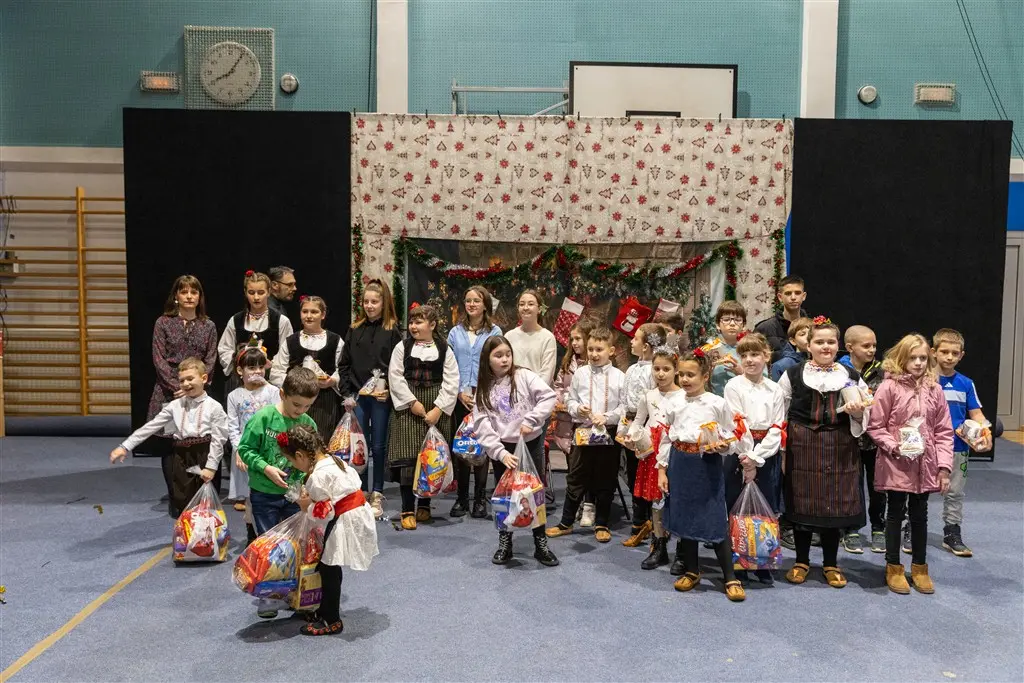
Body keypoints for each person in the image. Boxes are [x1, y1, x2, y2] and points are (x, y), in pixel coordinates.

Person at [777, 317, 869, 589]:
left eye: (830, 341)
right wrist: (782, 451)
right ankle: (801, 562)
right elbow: (780, 413)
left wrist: (857, 413)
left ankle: (831, 563)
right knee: (802, 504)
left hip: (840, 446)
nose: (825, 346)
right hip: (802, 446)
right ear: (809, 346)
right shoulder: (792, 374)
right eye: (819, 342)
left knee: (834, 506)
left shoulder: (851, 376)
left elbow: (865, 414)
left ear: (838, 345)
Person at [656, 348, 746, 602]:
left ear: (705, 376)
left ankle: (730, 577)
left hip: (706, 464)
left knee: (713, 516)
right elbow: (666, 437)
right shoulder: (674, 402)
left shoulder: (717, 403)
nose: (685, 379)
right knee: (685, 516)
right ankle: (692, 570)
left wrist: (723, 446)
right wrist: (662, 469)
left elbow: (731, 434)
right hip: (680, 463)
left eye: (691, 375)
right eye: (681, 374)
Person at [866, 334, 953, 594]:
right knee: (894, 513)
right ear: (901, 359)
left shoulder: (935, 389)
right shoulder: (888, 387)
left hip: (925, 464)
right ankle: (893, 566)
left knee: (920, 515)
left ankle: (920, 567)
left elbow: (944, 431)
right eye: (912, 358)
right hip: (896, 462)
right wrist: (895, 447)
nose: (918, 363)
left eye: (923, 358)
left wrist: (944, 467)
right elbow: (876, 426)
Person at [277, 423, 378, 635]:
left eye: (291, 461)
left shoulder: (317, 476)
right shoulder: (333, 460)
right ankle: (325, 610)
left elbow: (325, 512)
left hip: (344, 518)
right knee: (329, 565)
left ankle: (331, 620)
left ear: (300, 455)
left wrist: (306, 506)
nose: (293, 466)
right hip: (355, 514)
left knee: (328, 567)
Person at [237, 366, 319, 618]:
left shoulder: (307, 423)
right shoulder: (263, 418)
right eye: (297, 405)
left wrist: (306, 486)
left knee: (295, 547)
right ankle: (268, 596)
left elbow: (312, 459)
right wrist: (266, 468)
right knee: (270, 546)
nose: (301, 411)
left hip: (294, 498)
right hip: (264, 495)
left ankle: (293, 593)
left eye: (307, 406)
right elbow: (245, 449)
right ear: (282, 394)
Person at [472, 336, 559, 566]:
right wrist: (499, 452)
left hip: (530, 443)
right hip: (504, 449)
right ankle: (505, 543)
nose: (505, 360)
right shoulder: (483, 389)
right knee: (505, 496)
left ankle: (540, 543)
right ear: (487, 359)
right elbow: (481, 424)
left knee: (534, 493)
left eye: (508, 354)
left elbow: (548, 396)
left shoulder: (524, 376)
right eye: (498, 356)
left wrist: (532, 420)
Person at [110, 358, 228, 518]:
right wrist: (125, 446)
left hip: (205, 454)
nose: (186, 384)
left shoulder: (214, 407)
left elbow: (219, 439)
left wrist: (212, 466)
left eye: (190, 378)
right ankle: (186, 532)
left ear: (204, 378)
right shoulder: (174, 405)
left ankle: (207, 533)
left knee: (206, 504)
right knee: (182, 500)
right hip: (181, 456)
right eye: (182, 380)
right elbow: (150, 427)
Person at [546, 326, 625, 543]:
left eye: (599, 349)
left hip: (608, 433)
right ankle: (566, 522)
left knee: (606, 478)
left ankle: (602, 523)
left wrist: (607, 417)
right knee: (576, 477)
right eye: (591, 349)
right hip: (582, 432)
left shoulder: (620, 377)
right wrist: (576, 409)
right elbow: (570, 399)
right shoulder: (580, 373)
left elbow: (624, 407)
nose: (594, 354)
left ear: (611, 351)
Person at [147, 275, 218, 514]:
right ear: (176, 296)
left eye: (193, 292)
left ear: (199, 297)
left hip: (198, 394)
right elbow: (158, 359)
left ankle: (196, 497)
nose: (189, 296)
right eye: (184, 292)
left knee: (198, 445)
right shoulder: (163, 323)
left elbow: (210, 359)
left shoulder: (208, 326)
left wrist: (194, 386)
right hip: (169, 393)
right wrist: (178, 386)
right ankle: (175, 499)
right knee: (171, 446)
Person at [386, 303, 460, 529]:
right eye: (411, 322)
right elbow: (395, 377)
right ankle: (407, 508)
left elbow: (451, 380)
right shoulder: (402, 347)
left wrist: (438, 409)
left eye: (418, 322)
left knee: (431, 458)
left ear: (432, 324)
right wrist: (412, 402)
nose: (413, 326)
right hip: (409, 408)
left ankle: (425, 505)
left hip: (436, 407)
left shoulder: (445, 349)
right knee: (408, 459)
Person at [338, 279, 403, 519]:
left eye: (374, 301)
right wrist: (348, 393)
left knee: (378, 445)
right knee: (360, 444)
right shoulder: (355, 329)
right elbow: (344, 364)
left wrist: (391, 390)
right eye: (366, 301)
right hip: (359, 397)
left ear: (384, 303)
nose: (369, 305)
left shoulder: (392, 331)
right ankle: (361, 490)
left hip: (381, 397)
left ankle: (377, 492)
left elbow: (398, 367)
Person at [723, 332, 785, 584]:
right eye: (744, 355)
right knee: (737, 505)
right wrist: (747, 458)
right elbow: (737, 423)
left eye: (755, 354)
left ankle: (762, 561)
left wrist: (757, 458)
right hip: (740, 450)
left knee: (764, 506)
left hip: (765, 453)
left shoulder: (775, 389)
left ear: (766, 356)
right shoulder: (733, 386)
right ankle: (738, 559)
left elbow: (777, 426)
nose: (749, 360)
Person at [931, 328, 993, 557]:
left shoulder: (966, 383)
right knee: (917, 492)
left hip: (958, 447)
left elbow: (976, 414)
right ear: (933, 352)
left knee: (955, 492)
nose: (949, 357)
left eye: (954, 353)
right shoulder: (924, 380)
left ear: (961, 355)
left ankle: (952, 532)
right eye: (944, 352)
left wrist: (985, 433)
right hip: (928, 448)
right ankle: (910, 528)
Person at [624, 343, 684, 570]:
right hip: (652, 452)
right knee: (657, 502)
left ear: (675, 370)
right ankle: (659, 547)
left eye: (666, 369)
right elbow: (639, 421)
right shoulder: (648, 396)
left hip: (676, 452)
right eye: (656, 369)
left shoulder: (683, 396)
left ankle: (682, 551)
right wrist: (632, 435)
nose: (660, 374)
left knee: (677, 500)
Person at [447, 286, 502, 519]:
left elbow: (497, 364)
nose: (471, 304)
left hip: (484, 398)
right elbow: (449, 365)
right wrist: (460, 391)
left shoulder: (495, 331)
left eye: (476, 301)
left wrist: (482, 393)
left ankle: (480, 499)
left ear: (485, 305)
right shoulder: (455, 332)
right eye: (468, 300)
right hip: (460, 398)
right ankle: (461, 498)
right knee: (462, 448)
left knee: (482, 447)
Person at [838, 325, 885, 554]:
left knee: (878, 485)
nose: (871, 350)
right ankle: (851, 529)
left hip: (875, 439)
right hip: (848, 438)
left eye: (874, 345)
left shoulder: (882, 372)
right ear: (850, 347)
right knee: (851, 485)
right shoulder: (838, 372)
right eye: (866, 346)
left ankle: (879, 527)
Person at [270, 295, 343, 443]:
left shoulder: (335, 341)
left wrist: (332, 381)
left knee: (321, 441)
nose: (309, 316)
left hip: (325, 403)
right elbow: (276, 371)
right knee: (295, 441)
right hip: (295, 401)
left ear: (323, 314)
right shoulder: (291, 341)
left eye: (314, 312)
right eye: (305, 311)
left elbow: (342, 369)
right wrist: (295, 382)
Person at [226, 344, 280, 543]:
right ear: (240, 370)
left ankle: (271, 532)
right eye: (251, 367)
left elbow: (277, 420)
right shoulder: (234, 396)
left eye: (261, 367)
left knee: (268, 493)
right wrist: (239, 450)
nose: (257, 371)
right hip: (245, 453)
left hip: (268, 451)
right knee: (250, 496)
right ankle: (251, 534)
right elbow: (233, 426)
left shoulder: (273, 392)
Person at [620, 323, 662, 546]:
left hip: (647, 425)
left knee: (646, 474)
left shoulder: (653, 371)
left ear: (646, 346)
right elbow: (624, 399)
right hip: (632, 424)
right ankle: (641, 521)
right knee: (632, 474)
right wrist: (624, 427)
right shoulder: (631, 369)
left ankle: (648, 522)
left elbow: (651, 403)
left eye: (635, 338)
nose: (631, 341)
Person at [218, 270, 293, 396]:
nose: (256, 297)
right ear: (245, 292)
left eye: (261, 292)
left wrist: (270, 365)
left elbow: (286, 352)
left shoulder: (281, 321)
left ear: (269, 292)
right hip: (240, 383)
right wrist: (240, 361)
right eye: (251, 292)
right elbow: (224, 349)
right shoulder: (236, 320)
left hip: (270, 382)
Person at [505, 289, 558, 387]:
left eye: (530, 304)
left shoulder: (548, 337)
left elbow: (547, 374)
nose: (525, 308)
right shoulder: (509, 336)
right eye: (522, 304)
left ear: (539, 309)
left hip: (539, 392)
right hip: (513, 390)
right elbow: (505, 368)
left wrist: (530, 391)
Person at [755, 274, 808, 364]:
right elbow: (753, 359)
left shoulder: (813, 328)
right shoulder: (764, 329)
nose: (793, 297)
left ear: (804, 296)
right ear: (780, 297)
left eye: (797, 293)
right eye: (788, 293)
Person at [705, 300, 747, 397]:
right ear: (717, 324)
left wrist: (743, 373)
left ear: (744, 325)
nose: (732, 324)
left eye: (737, 320)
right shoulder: (709, 349)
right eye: (726, 319)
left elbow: (763, 378)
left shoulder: (750, 348)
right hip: (715, 401)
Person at [769, 317, 812, 382]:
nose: (808, 337)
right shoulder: (780, 366)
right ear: (793, 341)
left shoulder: (821, 361)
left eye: (811, 333)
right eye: (802, 334)